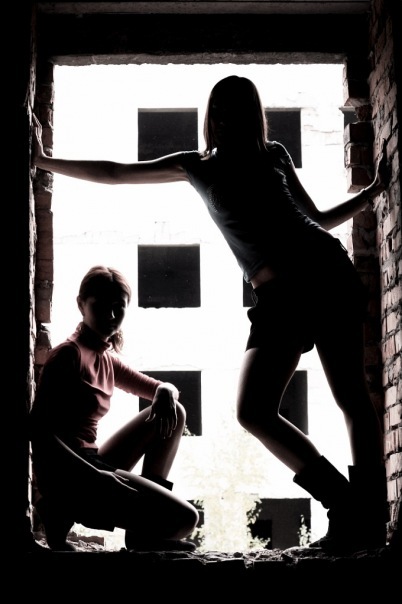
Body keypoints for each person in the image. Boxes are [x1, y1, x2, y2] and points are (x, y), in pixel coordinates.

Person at [33, 74, 389, 554]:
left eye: (235, 110)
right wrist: (42, 160)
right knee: (254, 411)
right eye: (218, 109)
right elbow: (116, 172)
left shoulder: (275, 155)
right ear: (209, 115)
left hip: (325, 273)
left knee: (352, 399)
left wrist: (371, 192)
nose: (224, 119)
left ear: (252, 115)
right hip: (277, 297)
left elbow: (318, 219)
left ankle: (366, 520)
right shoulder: (197, 166)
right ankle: (346, 505)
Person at [29, 265, 199, 552]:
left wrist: (166, 389)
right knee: (184, 520)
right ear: (81, 304)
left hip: (93, 462)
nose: (110, 315)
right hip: (69, 474)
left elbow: (160, 388)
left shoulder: (106, 358)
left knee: (175, 410)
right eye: (101, 306)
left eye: (118, 307)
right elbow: (39, 432)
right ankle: (60, 507)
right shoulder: (68, 355)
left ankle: (142, 535)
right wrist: (95, 477)